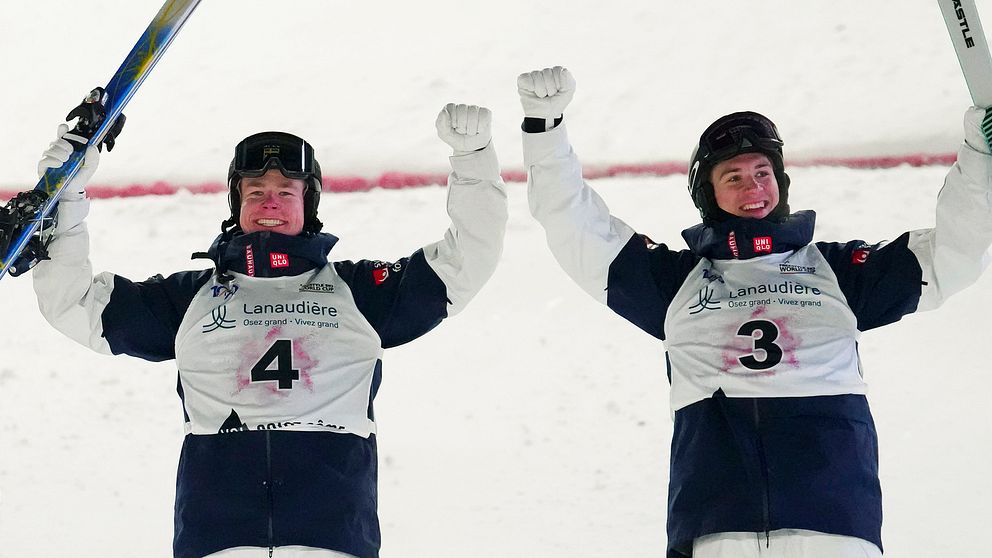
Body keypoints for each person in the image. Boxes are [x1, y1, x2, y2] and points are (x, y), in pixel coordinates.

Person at [516, 66, 992, 557]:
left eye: (763, 173)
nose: (753, 188)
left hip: (830, 530)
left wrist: (980, 156)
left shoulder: (841, 272)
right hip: (718, 533)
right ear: (709, 196)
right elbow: (577, 228)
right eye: (734, 177)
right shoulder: (672, 282)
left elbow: (952, 255)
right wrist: (546, 130)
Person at [31, 103, 508, 558]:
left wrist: (473, 160)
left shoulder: (360, 292)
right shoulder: (187, 299)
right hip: (218, 543)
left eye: (286, 191)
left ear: (310, 202)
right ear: (236, 202)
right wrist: (66, 198)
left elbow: (465, 263)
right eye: (255, 191)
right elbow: (74, 304)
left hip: (332, 542)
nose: (269, 203)